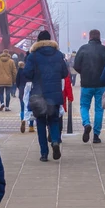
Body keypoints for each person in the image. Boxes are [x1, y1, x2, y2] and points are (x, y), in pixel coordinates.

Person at [23, 30, 68, 162]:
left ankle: (44, 154)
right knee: (54, 120)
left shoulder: (33, 56)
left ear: (38, 41)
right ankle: (55, 141)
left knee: (41, 123)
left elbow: (27, 73)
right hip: (54, 93)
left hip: (39, 94)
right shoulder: (58, 55)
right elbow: (65, 73)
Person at [73, 29, 105, 145]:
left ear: (89, 37)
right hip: (101, 84)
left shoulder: (83, 49)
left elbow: (76, 66)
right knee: (99, 109)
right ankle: (96, 135)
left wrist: (84, 73)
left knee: (84, 106)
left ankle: (86, 123)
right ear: (99, 37)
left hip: (86, 84)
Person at [15, 58, 34, 134]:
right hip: (30, 89)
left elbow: (17, 81)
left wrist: (19, 88)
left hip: (22, 89)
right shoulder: (32, 71)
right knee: (31, 108)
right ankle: (31, 126)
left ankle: (23, 120)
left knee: (23, 107)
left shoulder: (20, 71)